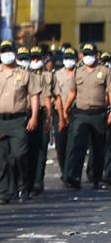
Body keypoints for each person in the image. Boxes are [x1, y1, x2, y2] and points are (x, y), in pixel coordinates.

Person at [0, 39, 40, 205]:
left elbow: (34, 95)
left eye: (10, 50)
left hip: (17, 120)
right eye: (4, 51)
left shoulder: (24, 73)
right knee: (0, 160)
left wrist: (34, 116)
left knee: (19, 155)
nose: (7, 54)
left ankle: (22, 186)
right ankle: (2, 193)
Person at [62, 43, 111, 190]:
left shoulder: (105, 71)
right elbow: (72, 92)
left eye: (90, 54)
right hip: (81, 113)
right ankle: (74, 177)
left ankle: (96, 177)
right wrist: (65, 109)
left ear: (96, 55)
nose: (87, 57)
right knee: (78, 146)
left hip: (98, 114)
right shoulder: (78, 71)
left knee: (98, 148)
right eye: (85, 54)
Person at [25, 47, 53, 196]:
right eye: (33, 58)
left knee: (41, 150)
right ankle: (26, 182)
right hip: (26, 115)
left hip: (41, 114)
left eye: (37, 58)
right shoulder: (25, 75)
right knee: (27, 150)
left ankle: (37, 181)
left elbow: (47, 99)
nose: (35, 61)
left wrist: (48, 119)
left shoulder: (46, 76)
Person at [54, 46, 78, 179]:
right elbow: (54, 96)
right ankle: (64, 171)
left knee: (73, 144)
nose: (69, 61)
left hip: (75, 111)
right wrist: (62, 113)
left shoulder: (79, 73)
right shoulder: (57, 75)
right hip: (59, 112)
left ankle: (70, 174)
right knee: (61, 144)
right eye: (66, 58)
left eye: (71, 58)